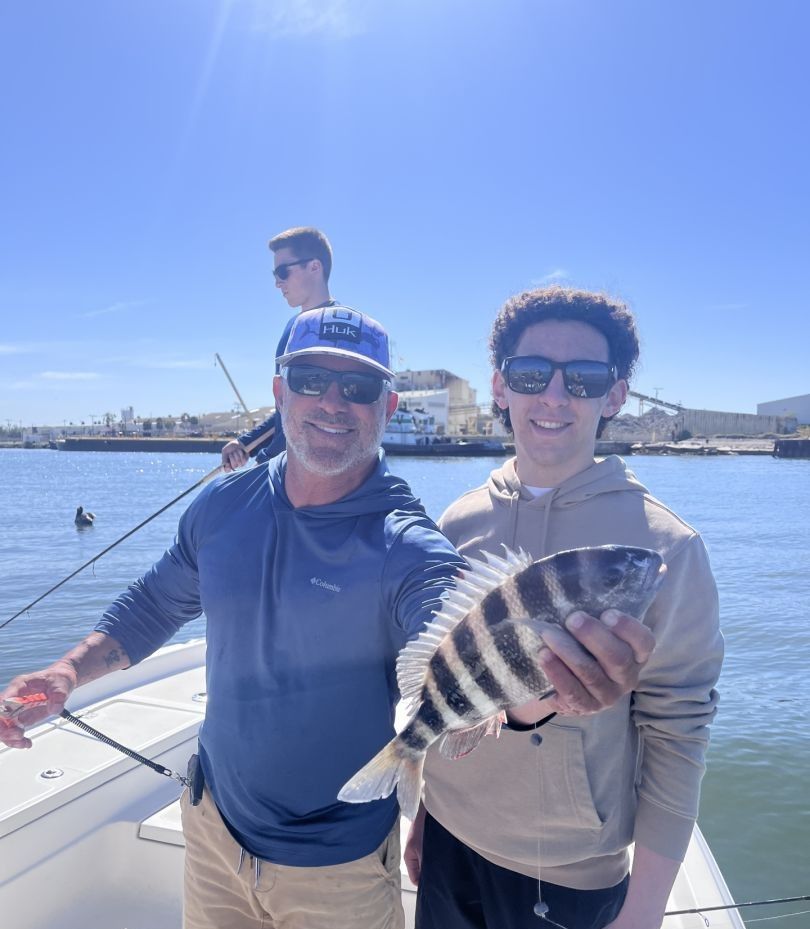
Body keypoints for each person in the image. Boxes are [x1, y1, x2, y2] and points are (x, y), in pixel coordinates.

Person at [2, 302, 656, 929]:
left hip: (338, 870)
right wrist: (67, 673)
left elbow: (458, 646)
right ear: (279, 392)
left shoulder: (408, 546)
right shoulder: (222, 505)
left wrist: (543, 694)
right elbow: (154, 603)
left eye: (359, 387)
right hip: (211, 828)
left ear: (388, 407)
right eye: (311, 379)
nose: (333, 402)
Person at [406, 286, 723, 929]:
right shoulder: (457, 521)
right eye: (531, 374)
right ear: (501, 387)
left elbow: (678, 734)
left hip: (569, 876)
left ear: (615, 394)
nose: (554, 396)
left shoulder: (667, 548)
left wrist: (644, 911)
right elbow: (447, 686)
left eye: (583, 379)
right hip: (446, 839)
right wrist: (424, 816)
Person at [221, 226, 338, 472]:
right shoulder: (293, 328)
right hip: (277, 465)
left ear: (314, 267)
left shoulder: (337, 330)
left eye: (283, 272)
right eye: (275, 274)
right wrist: (245, 443)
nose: (277, 283)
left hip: (297, 475)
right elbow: (288, 410)